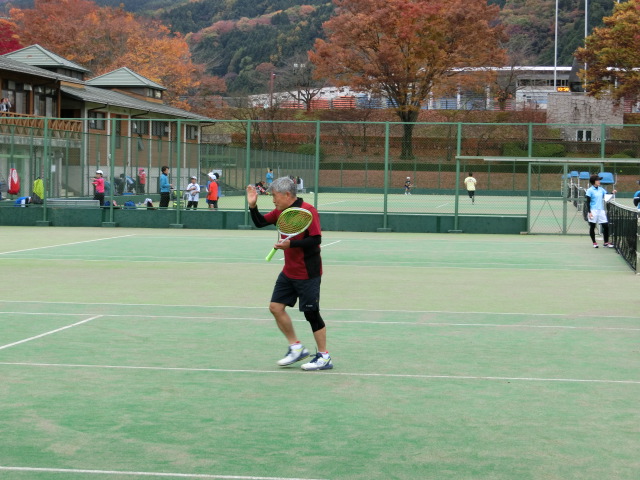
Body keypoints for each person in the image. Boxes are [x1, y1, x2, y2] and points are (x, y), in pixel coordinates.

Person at [246, 176, 332, 371]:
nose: (273, 200)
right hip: (289, 271)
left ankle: (324, 357)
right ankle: (296, 347)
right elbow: (260, 222)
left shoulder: (308, 211)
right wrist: (252, 206)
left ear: (286, 195)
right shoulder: (281, 211)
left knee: (311, 314)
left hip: (308, 272)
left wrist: (290, 244)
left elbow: (316, 239)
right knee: (275, 307)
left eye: (274, 196)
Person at [585, 174, 616, 248]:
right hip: (593, 210)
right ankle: (594, 242)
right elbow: (588, 202)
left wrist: (612, 193)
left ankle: (606, 242)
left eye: (599, 180)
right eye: (597, 180)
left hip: (601, 210)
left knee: (606, 226)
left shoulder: (601, 189)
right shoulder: (589, 190)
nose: (599, 181)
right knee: (592, 226)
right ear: (593, 181)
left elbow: (607, 196)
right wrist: (589, 212)